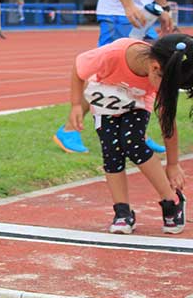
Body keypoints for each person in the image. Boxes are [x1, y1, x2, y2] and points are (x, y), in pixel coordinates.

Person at [63, 34, 191, 234]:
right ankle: (122, 212)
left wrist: (173, 164)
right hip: (106, 98)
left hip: (138, 102)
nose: (171, 92)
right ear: (155, 69)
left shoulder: (161, 75)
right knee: (112, 152)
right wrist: (76, 105)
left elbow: (168, 123)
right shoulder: (113, 54)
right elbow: (79, 69)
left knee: (132, 143)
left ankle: (171, 201)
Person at [53, 0, 173, 154]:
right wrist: (128, 5)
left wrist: (164, 8)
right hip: (119, 13)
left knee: (144, 73)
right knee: (104, 76)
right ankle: (69, 129)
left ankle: (138, 132)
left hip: (145, 14)